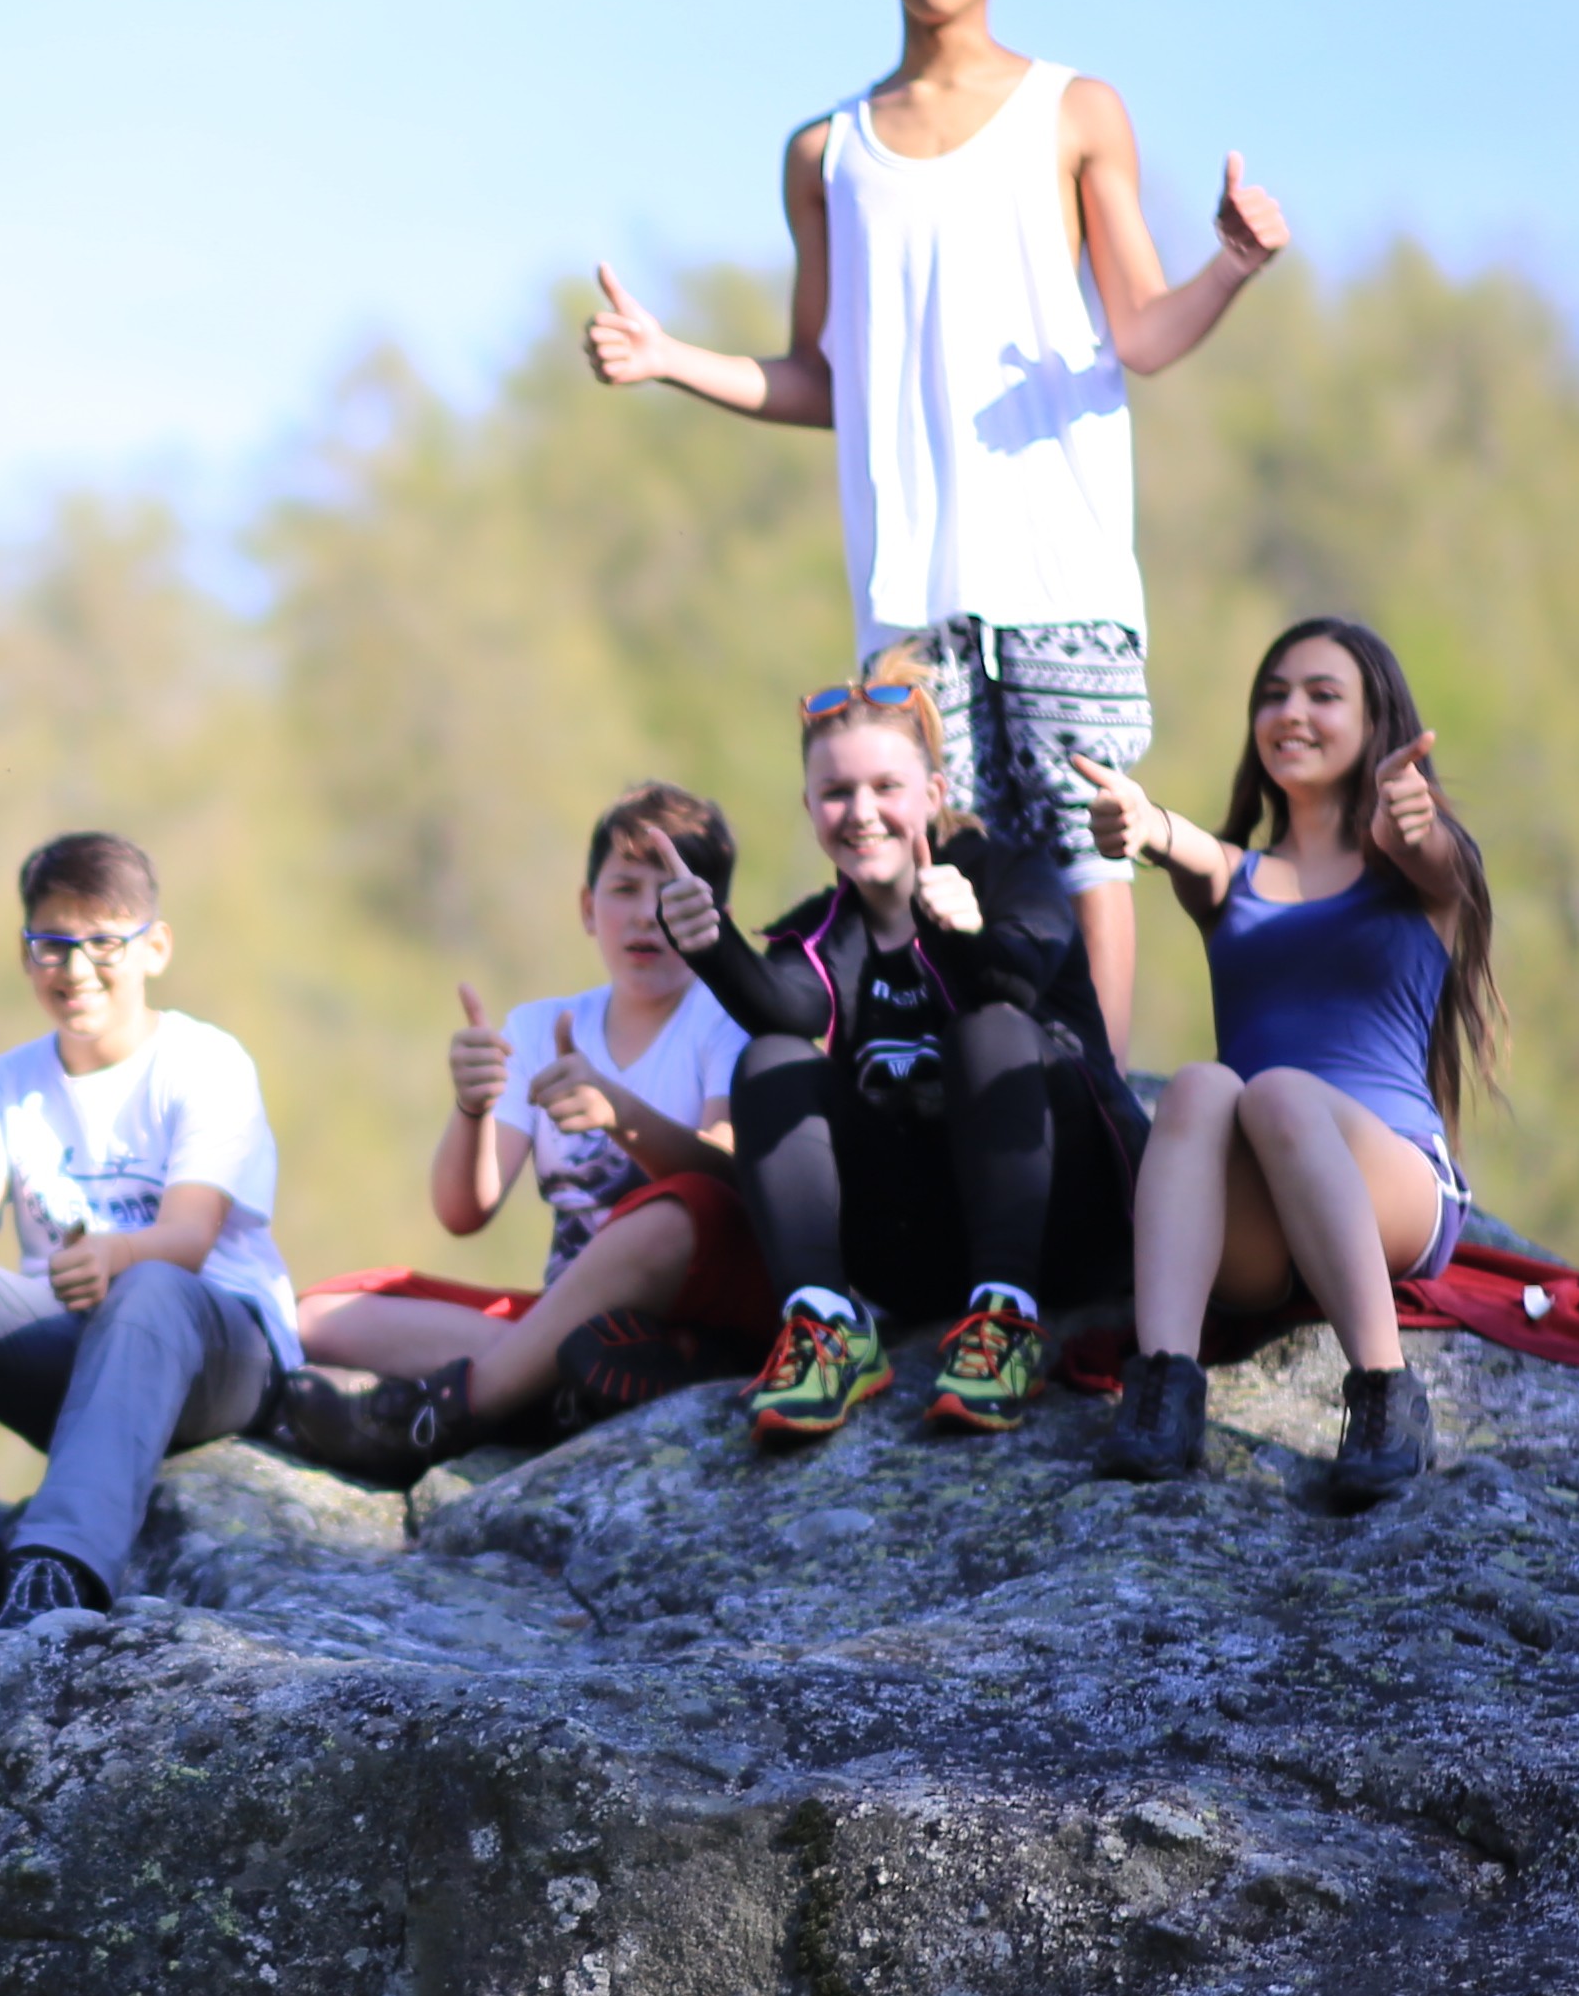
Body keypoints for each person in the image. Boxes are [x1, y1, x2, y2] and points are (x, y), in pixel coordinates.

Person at [584, 0, 1290, 1063]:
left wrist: (1231, 266)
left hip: (1062, 561)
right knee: (933, 847)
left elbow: (1141, 331)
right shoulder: (826, 155)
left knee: (1088, 850)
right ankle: (982, 1096)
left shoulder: (1076, 111)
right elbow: (819, 378)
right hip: (909, 584)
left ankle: (1100, 1102)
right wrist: (667, 360)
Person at [652, 657, 1141, 1444]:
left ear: (934, 796)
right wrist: (708, 943)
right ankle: (824, 1326)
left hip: (1066, 1229)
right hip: (919, 1258)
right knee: (774, 1059)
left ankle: (1007, 1323)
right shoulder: (820, 929)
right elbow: (783, 1006)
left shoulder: (1012, 875)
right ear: (810, 809)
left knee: (990, 1030)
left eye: (885, 788)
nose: (861, 812)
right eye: (836, 793)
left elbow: (1016, 978)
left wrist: (967, 935)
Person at [1073, 614, 1503, 1507]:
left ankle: (1386, 1399)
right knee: (1199, 1085)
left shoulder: (1424, 874)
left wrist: (1412, 817)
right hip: (1263, 1225)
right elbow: (1174, 839)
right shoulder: (1233, 878)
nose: (1291, 713)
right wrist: (1139, 821)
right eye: (1273, 696)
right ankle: (1163, 1390)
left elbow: (1433, 852)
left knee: (1276, 1095)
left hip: (1389, 1182)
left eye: (1321, 695)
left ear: (1375, 721)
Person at [0, 832, 300, 1655]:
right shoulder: (7, 1084)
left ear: (154, 947)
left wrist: (116, 1256)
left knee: (151, 1285)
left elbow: (190, 1239)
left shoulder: (205, 1062)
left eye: (101, 942)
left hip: (213, 1357)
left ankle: (56, 1568)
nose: (75, 968)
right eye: (52, 944)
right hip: (79, 1362)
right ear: (25, 955)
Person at [284, 784, 777, 1477]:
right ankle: (560, 1384)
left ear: (711, 917)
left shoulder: (724, 1021)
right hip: (568, 1318)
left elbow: (725, 1182)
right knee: (317, 1317)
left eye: (670, 895)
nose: (645, 916)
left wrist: (621, 1117)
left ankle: (447, 1415)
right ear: (587, 906)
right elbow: (463, 1212)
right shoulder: (538, 1028)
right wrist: (472, 1107)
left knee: (676, 1213)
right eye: (624, 889)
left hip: (701, 1300)